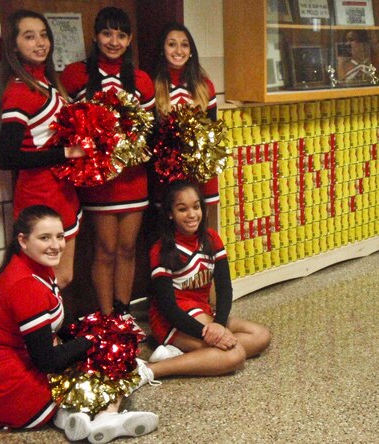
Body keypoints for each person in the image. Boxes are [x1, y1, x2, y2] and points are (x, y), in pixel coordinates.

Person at [0, 205, 158, 443]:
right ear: (23, 240)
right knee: (111, 357)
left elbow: (59, 325)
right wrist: (93, 342)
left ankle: (72, 415)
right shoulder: (25, 286)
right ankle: (107, 416)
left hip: (8, 386)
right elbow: (47, 360)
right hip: (15, 395)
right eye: (44, 238)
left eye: (59, 236)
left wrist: (96, 334)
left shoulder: (35, 269)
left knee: (108, 343)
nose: (56, 245)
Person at [60, 7, 155, 322]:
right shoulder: (75, 76)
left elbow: (149, 129)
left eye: (121, 34)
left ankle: (124, 313)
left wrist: (144, 150)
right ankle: (106, 317)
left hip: (133, 178)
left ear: (129, 40)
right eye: (107, 33)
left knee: (128, 248)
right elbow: (66, 125)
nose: (114, 41)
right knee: (105, 249)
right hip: (100, 180)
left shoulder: (141, 80)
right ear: (95, 36)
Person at [133, 180, 271, 383]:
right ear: (170, 213)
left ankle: (182, 355)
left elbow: (225, 289)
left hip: (203, 311)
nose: (191, 214)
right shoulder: (161, 249)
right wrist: (207, 333)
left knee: (261, 335)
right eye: (182, 209)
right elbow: (168, 307)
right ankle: (151, 370)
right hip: (172, 320)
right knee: (235, 354)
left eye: (196, 207)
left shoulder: (211, 239)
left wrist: (220, 326)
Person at [0, 9, 84, 290]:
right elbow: (6, 157)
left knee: (62, 277)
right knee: (47, 281)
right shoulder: (19, 91)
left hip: (61, 191)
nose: (40, 43)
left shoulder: (45, 82)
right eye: (29, 37)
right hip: (39, 196)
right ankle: (37, 334)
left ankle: (50, 333)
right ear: (14, 46)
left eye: (44, 35)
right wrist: (64, 154)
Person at [152, 22, 220, 227]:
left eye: (184, 45)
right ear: (162, 50)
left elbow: (213, 133)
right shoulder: (152, 85)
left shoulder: (204, 85)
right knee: (168, 236)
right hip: (166, 176)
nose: (178, 50)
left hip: (201, 175)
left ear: (191, 51)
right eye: (172, 44)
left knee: (204, 233)